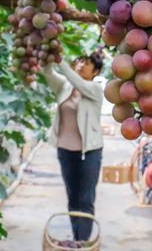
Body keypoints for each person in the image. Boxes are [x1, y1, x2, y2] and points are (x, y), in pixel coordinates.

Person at [41, 53, 105, 242]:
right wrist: (49, 55)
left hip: (90, 151)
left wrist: (61, 61)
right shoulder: (65, 86)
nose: (81, 64)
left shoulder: (94, 89)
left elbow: (79, 83)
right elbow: (48, 72)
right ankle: (77, 238)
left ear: (95, 72)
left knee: (86, 199)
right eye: (80, 60)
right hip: (65, 150)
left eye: (87, 64)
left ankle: (82, 242)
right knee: (72, 198)